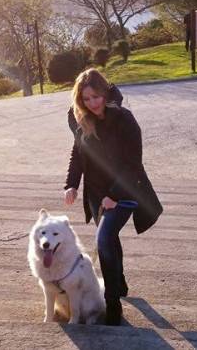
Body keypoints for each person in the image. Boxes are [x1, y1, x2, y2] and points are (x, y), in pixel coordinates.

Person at [63, 68, 163, 326]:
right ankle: (120, 284)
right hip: (96, 193)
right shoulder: (80, 119)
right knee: (109, 239)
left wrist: (114, 195)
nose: (92, 104)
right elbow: (77, 154)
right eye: (86, 99)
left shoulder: (124, 119)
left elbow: (133, 165)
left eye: (96, 97)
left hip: (126, 189)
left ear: (105, 93)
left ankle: (113, 303)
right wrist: (71, 185)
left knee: (104, 237)